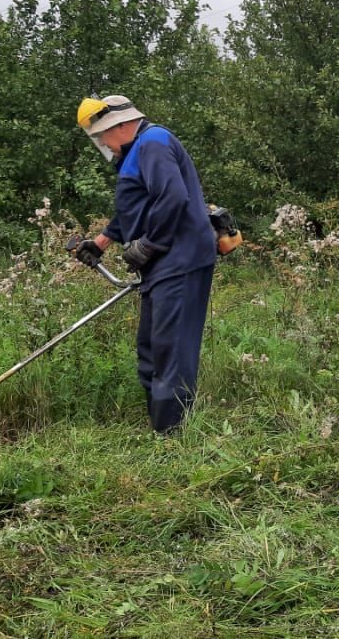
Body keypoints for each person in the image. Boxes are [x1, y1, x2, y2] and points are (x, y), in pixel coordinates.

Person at [71, 95, 217, 434]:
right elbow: (134, 208)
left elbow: (173, 198)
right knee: (151, 348)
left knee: (171, 350)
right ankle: (162, 425)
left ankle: (172, 437)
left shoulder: (153, 142)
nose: (103, 143)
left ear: (120, 125)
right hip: (162, 264)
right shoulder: (134, 153)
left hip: (179, 259)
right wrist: (102, 242)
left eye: (103, 135)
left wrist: (150, 244)